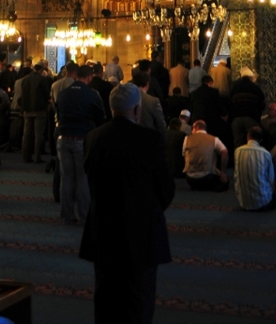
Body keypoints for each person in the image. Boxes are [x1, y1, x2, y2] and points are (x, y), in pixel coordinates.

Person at [80, 83, 174, 324]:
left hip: (103, 229)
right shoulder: (150, 140)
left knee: (106, 297)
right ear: (137, 110)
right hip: (140, 233)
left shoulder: (93, 138)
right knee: (138, 299)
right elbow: (166, 191)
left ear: (111, 109)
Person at [56, 64, 105, 224]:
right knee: (82, 178)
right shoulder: (92, 94)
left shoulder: (63, 93)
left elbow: (59, 114)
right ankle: (84, 215)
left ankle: (67, 215)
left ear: (76, 76)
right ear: (89, 78)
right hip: (81, 139)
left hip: (63, 139)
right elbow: (101, 117)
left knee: (66, 178)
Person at [234, 125, 276, 211]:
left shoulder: (238, 151)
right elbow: (271, 179)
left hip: (243, 202)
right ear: (261, 140)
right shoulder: (265, 153)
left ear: (248, 136)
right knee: (275, 198)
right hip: (262, 203)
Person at [182, 119, 229, 191]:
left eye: (192, 128)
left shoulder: (187, 139)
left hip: (190, 179)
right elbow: (225, 152)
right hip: (208, 177)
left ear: (197, 127)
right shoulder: (214, 139)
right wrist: (223, 172)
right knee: (225, 181)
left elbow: (184, 155)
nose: (191, 131)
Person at [20, 62, 51, 163]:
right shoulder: (42, 79)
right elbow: (46, 95)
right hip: (39, 110)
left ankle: (26, 156)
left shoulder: (25, 79)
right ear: (41, 70)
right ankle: (37, 157)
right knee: (38, 135)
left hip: (27, 109)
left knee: (26, 134)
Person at [229, 67, 265, 148]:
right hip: (251, 117)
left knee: (238, 142)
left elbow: (229, 102)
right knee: (252, 141)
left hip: (236, 118)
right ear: (251, 77)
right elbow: (262, 102)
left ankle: (239, 155)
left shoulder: (235, 87)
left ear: (241, 77)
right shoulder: (255, 87)